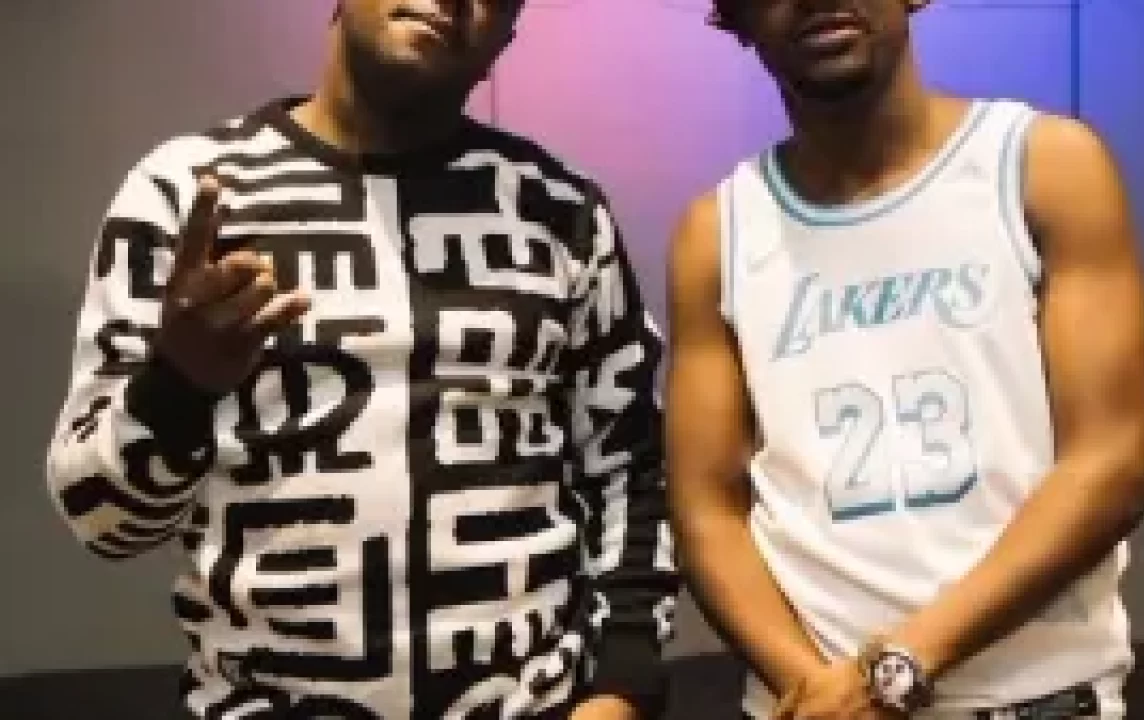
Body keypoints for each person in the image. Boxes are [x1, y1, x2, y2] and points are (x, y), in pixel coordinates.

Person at [45, 2, 676, 718]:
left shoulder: (558, 211)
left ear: (509, 33)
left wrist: (622, 690)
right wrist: (176, 388)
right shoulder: (186, 196)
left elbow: (632, 470)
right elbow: (101, 522)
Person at [665, 1, 1144, 718]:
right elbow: (707, 512)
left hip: (1033, 699)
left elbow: (1109, 467)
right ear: (735, 18)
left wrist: (897, 668)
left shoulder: (1043, 165)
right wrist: (820, 694)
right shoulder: (718, 233)